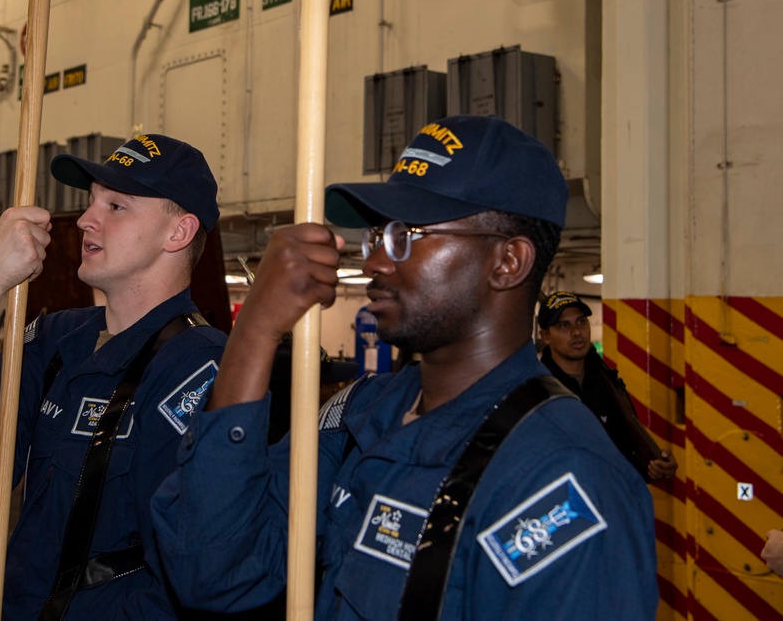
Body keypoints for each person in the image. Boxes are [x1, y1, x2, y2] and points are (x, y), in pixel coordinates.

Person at [153, 115, 659, 619]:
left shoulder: (560, 480)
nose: (374, 261)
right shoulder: (362, 413)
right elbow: (214, 569)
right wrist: (255, 331)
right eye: (377, 236)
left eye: (408, 234)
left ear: (508, 262)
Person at [0, 134, 227, 619]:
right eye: (91, 201)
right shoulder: (57, 339)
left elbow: (188, 572)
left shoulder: (198, 367)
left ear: (178, 233)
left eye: (116, 205)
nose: (86, 219)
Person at [537, 290, 678, 483]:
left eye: (581, 321)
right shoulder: (539, 391)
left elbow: (623, 450)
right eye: (563, 325)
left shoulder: (607, 381)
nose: (577, 332)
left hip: (615, 501)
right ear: (545, 336)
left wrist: (653, 467)